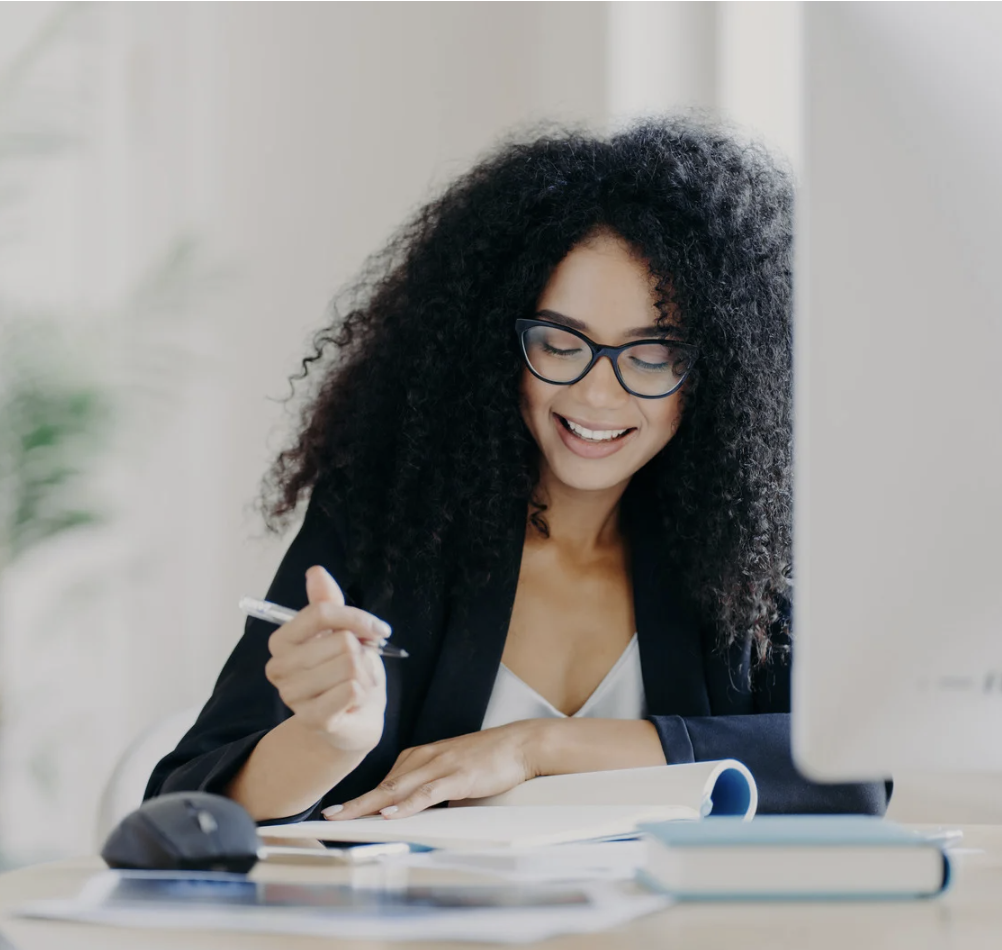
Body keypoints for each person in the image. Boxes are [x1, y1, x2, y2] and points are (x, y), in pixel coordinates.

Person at [146, 118, 888, 822]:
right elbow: (183, 806)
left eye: (653, 354)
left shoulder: (748, 556)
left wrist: (537, 749)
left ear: (720, 374)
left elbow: (852, 773)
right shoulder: (387, 521)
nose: (600, 394)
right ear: (495, 343)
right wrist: (324, 743)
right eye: (562, 343)